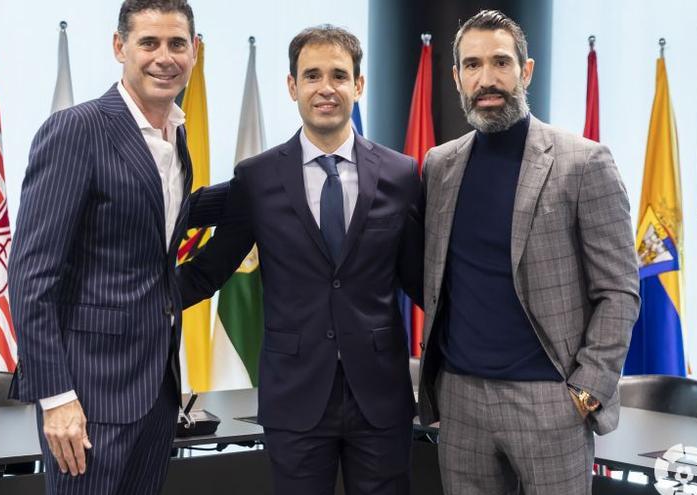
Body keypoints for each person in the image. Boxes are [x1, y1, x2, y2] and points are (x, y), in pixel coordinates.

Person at [177, 25, 423, 495]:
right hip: (295, 398)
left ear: (359, 85)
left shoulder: (401, 174)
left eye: (338, 75)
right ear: (292, 86)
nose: (325, 88)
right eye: (311, 76)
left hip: (380, 397)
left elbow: (422, 279)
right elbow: (208, 271)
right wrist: (131, 303)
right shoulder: (257, 178)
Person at [415, 10, 640, 495]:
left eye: (501, 62)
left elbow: (619, 291)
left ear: (527, 70)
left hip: (551, 401)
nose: (487, 78)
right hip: (461, 399)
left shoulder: (584, 162)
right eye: (472, 65)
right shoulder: (439, 165)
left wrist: (587, 389)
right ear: (456, 77)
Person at [8, 1, 224, 493]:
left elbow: (163, 219)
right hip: (88, 398)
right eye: (149, 43)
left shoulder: (174, 133)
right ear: (119, 46)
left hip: (156, 393)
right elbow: (29, 277)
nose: (164, 57)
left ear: (195, 51)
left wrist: (264, 183)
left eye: (177, 44)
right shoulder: (77, 130)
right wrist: (57, 397)